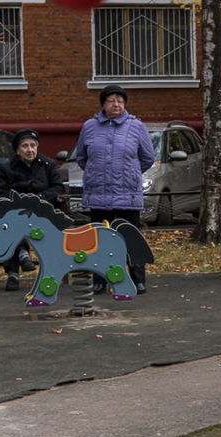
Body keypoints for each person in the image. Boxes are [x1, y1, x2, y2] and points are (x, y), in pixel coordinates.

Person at [76, 85, 155, 295]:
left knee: (131, 238)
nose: (116, 104)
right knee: (99, 240)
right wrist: (98, 173)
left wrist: (131, 173)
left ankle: (137, 279)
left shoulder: (136, 127)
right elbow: (82, 157)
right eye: (111, 100)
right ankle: (100, 280)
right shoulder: (89, 127)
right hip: (99, 196)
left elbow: (148, 158)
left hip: (126, 195)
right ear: (103, 104)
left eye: (120, 101)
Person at [0, 129, 64, 291]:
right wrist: (17, 202)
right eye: (25, 146)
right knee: (11, 222)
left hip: (42, 211)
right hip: (16, 212)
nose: (30, 149)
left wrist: (40, 198)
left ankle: (22, 256)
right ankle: (15, 268)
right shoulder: (7, 169)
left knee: (17, 224)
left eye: (33, 145)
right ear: (17, 150)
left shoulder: (48, 165)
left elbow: (58, 188)